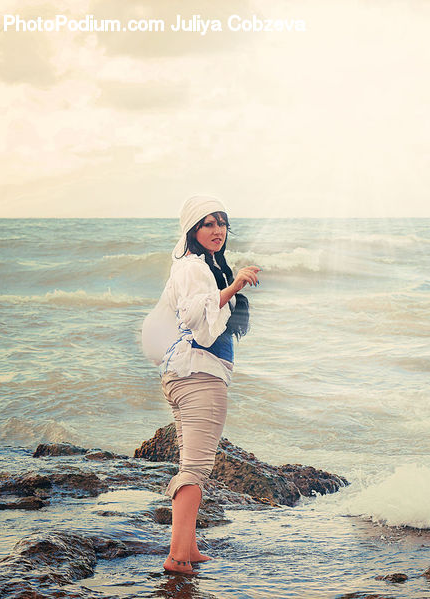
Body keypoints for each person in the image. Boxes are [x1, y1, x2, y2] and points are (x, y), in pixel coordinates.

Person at [141, 195, 260, 574]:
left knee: (189, 463)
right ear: (192, 230)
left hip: (184, 374)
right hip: (199, 374)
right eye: (207, 223)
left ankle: (188, 547)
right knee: (196, 468)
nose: (217, 230)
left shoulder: (196, 266)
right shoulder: (194, 268)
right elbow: (195, 316)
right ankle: (177, 557)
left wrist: (230, 285)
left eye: (221, 222)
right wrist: (235, 285)